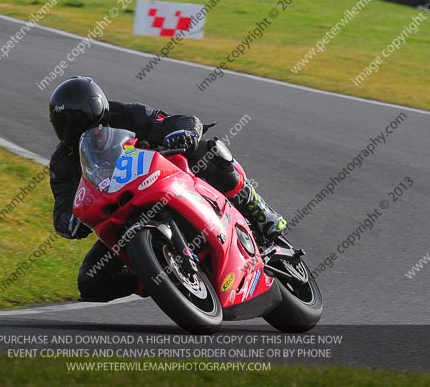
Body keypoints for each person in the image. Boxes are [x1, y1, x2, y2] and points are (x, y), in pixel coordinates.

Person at [48, 76, 287, 302]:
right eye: (67, 126)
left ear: (98, 111)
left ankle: (259, 211)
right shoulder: (62, 163)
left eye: (80, 122)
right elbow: (62, 207)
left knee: (207, 151)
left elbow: (177, 121)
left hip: (168, 179)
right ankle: (160, 278)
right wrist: (69, 223)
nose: (77, 132)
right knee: (91, 281)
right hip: (123, 215)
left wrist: (183, 134)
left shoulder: (127, 114)